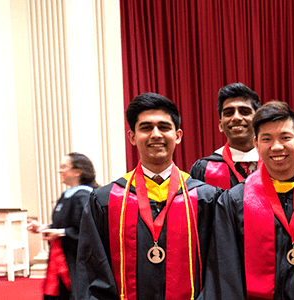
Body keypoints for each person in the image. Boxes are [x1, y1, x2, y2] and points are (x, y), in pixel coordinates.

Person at [75, 93, 224, 299]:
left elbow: (218, 270)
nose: (156, 134)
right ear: (132, 137)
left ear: (178, 135)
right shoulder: (106, 200)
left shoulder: (205, 199)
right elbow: (91, 271)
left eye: (164, 127)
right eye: (146, 128)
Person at [205, 101, 294, 299]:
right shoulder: (234, 202)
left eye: (285, 137)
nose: (277, 147)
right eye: (266, 139)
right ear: (256, 144)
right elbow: (226, 274)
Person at [27, 152, 99, 300]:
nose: (60, 170)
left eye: (64, 167)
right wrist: (44, 227)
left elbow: (87, 231)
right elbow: (63, 224)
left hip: (77, 262)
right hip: (61, 258)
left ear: (77, 171)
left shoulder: (84, 196)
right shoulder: (67, 195)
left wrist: (61, 233)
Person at [190, 83, 261, 189]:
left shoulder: (276, 162)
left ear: (258, 122)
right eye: (229, 113)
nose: (236, 117)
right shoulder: (203, 169)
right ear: (220, 125)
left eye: (245, 112)